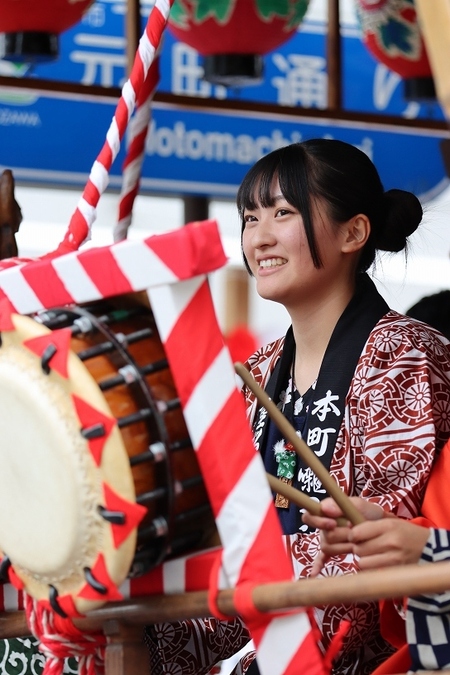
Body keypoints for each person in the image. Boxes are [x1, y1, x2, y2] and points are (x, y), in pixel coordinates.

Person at [145, 138, 450, 675]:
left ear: (354, 232)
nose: (258, 237)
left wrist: (246, 577)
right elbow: (230, 587)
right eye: (249, 217)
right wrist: (146, 617)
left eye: (283, 212)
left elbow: (381, 552)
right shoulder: (255, 376)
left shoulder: (404, 355)